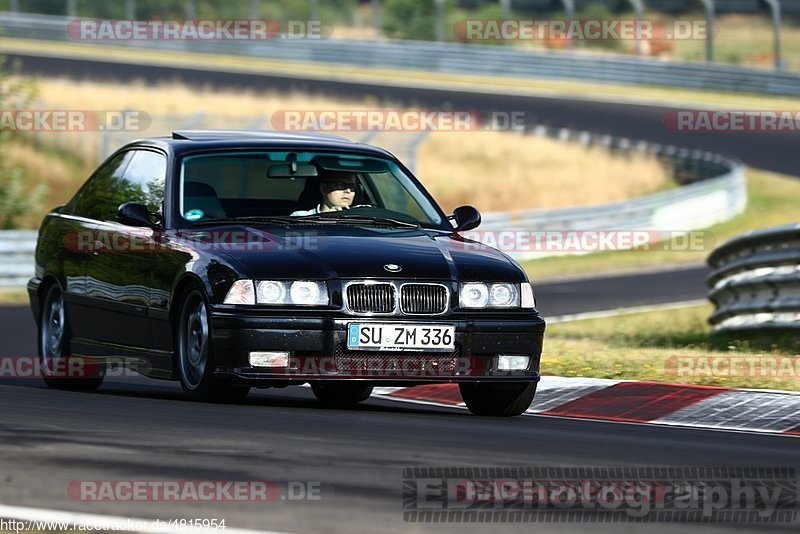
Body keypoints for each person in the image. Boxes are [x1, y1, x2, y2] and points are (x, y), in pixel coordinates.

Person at [291, 172, 358, 216]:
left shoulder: (362, 217)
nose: (348, 190)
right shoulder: (300, 217)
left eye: (352, 186)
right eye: (340, 185)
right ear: (323, 188)